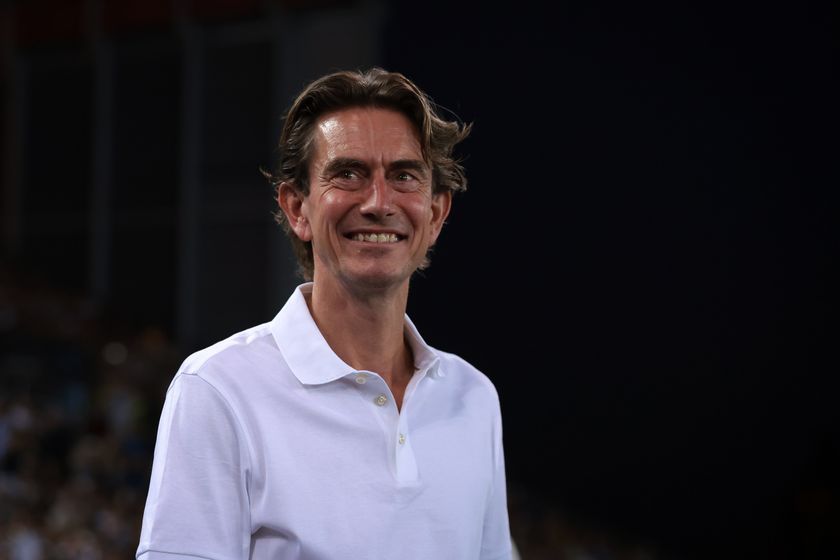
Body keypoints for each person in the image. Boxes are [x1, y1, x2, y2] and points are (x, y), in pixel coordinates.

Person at [136, 67, 513, 559]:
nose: (379, 202)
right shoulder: (219, 390)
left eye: (404, 176)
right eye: (348, 174)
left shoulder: (473, 397)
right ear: (298, 208)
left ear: (437, 214)